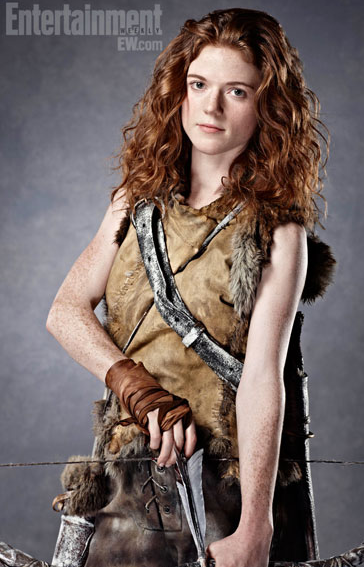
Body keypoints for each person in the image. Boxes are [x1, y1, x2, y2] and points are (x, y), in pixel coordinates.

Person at [44, 7, 335, 567]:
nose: (211, 106)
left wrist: (255, 526)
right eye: (199, 84)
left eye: (237, 92)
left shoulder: (278, 232)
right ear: (178, 90)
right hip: (124, 481)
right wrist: (134, 386)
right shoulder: (133, 203)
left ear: (267, 107)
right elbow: (66, 311)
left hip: (221, 489)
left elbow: (262, 378)